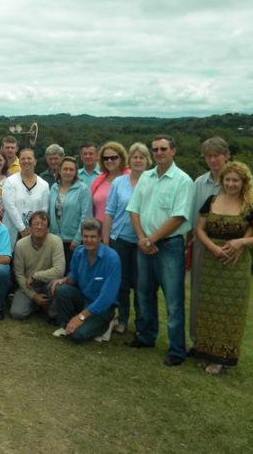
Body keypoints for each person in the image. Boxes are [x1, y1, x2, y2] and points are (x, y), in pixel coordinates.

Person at [193, 161, 253, 374]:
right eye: (227, 179)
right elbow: (199, 230)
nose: (231, 184)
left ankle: (221, 358)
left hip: (235, 266)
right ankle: (206, 352)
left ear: (244, 182)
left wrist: (240, 243)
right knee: (208, 308)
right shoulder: (212, 200)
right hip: (211, 262)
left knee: (230, 312)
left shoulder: (250, 207)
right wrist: (213, 248)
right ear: (222, 181)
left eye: (236, 180)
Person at [126, 135, 194, 367]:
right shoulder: (146, 177)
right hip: (144, 243)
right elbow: (133, 210)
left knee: (173, 301)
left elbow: (179, 217)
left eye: (163, 149)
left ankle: (176, 349)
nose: (159, 153)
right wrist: (143, 238)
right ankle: (146, 337)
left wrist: (151, 239)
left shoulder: (183, 181)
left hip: (169, 246)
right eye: (155, 149)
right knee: (144, 293)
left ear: (173, 151)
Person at [103, 142, 151, 335]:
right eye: (134, 157)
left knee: (141, 285)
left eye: (141, 157)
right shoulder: (119, 182)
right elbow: (109, 211)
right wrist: (106, 239)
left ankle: (141, 324)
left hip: (144, 241)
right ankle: (122, 320)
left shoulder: (152, 181)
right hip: (120, 239)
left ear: (147, 161)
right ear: (129, 160)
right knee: (121, 283)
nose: (138, 160)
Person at [189, 137, 231, 345]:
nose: (213, 160)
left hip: (228, 247)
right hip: (201, 244)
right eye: (209, 156)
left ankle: (218, 345)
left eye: (217, 155)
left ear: (227, 156)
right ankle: (198, 342)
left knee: (223, 299)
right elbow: (193, 217)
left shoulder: (236, 181)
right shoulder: (199, 183)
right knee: (198, 293)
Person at [51, 218, 121, 342]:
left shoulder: (112, 259)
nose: (88, 240)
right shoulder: (79, 252)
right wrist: (65, 280)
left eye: (93, 236)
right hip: (84, 299)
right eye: (85, 236)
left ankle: (107, 324)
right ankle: (67, 325)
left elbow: (106, 298)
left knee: (77, 336)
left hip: (103, 308)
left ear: (100, 237)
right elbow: (75, 277)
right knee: (61, 289)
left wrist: (81, 317)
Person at [10, 211, 65, 321]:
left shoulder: (56, 242)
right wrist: (33, 296)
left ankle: (52, 312)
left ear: (48, 229)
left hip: (48, 283)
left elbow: (59, 270)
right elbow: (19, 274)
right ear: (29, 228)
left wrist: (35, 276)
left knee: (59, 287)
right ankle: (35, 304)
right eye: (36, 224)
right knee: (17, 313)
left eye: (43, 225)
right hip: (29, 285)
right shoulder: (20, 245)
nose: (39, 227)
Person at [48, 156, 93, 269]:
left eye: (71, 169)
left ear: (75, 172)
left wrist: (77, 238)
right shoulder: (54, 188)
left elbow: (86, 216)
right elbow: (50, 212)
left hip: (72, 240)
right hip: (55, 239)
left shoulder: (83, 189)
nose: (68, 172)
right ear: (59, 170)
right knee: (56, 271)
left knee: (71, 272)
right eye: (65, 169)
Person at [2, 148, 50, 249]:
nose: (26, 161)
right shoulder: (10, 181)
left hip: (35, 233)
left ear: (35, 161)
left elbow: (43, 211)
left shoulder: (44, 185)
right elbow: (10, 207)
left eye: (29, 158)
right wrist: (22, 229)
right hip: (13, 231)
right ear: (19, 161)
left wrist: (34, 229)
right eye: (23, 159)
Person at [90, 141, 129, 223]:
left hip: (121, 232)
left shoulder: (130, 178)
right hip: (98, 231)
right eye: (105, 158)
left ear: (121, 158)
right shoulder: (98, 181)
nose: (109, 161)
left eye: (113, 157)